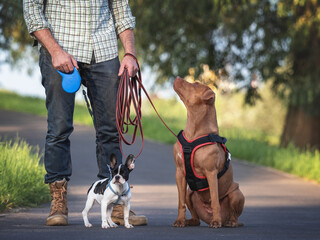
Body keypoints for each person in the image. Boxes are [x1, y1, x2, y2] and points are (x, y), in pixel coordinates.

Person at [23, 0, 147, 226]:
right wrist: (55, 51)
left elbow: (121, 9)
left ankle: (114, 202)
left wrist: (130, 53)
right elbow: (32, 10)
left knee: (111, 130)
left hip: (104, 50)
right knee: (59, 128)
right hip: (61, 48)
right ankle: (58, 202)